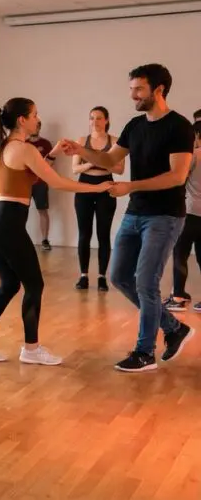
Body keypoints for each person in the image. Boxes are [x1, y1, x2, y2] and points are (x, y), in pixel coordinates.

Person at [57, 63, 194, 372]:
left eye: (139, 89)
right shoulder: (135, 126)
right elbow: (108, 159)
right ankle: (174, 328)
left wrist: (130, 186)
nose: (132, 94)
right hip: (135, 213)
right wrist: (80, 149)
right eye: (131, 88)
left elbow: (176, 176)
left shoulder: (180, 127)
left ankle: (145, 352)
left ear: (159, 90)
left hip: (165, 216)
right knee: (119, 276)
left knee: (146, 282)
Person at [0, 98, 110, 366]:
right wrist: (98, 187)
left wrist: (54, 152)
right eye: (34, 114)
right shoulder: (24, 148)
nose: (38, 119)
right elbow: (56, 182)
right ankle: (31, 349)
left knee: (10, 284)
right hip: (7, 224)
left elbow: (30, 176)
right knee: (34, 285)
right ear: (22, 119)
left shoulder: (7, 145)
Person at [72, 106, 123, 291]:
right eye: (92, 118)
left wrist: (94, 162)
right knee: (84, 234)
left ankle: (102, 276)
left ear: (107, 120)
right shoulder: (81, 141)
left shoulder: (115, 141)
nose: (95, 122)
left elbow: (119, 169)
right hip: (84, 187)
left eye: (99, 118)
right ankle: (83, 275)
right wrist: (95, 163)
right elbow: (75, 169)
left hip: (106, 188)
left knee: (103, 234)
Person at [164, 115, 201, 311]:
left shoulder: (194, 155)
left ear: (196, 135)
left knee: (180, 253)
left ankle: (177, 297)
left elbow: (179, 178)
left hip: (191, 212)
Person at [27, 121, 59, 250]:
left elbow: (50, 164)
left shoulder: (46, 144)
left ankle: (45, 240)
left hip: (40, 183)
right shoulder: (24, 143)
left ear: (39, 128)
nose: (35, 128)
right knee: (21, 211)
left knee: (42, 210)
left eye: (37, 126)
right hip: (25, 183)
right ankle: (20, 240)